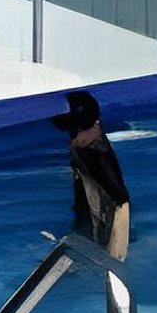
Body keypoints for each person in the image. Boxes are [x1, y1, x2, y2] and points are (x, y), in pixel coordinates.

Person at [51, 89, 132, 259]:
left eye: (75, 133)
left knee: (110, 210)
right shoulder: (85, 146)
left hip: (111, 220)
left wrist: (115, 253)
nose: (72, 141)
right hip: (93, 215)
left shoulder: (96, 154)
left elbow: (120, 201)